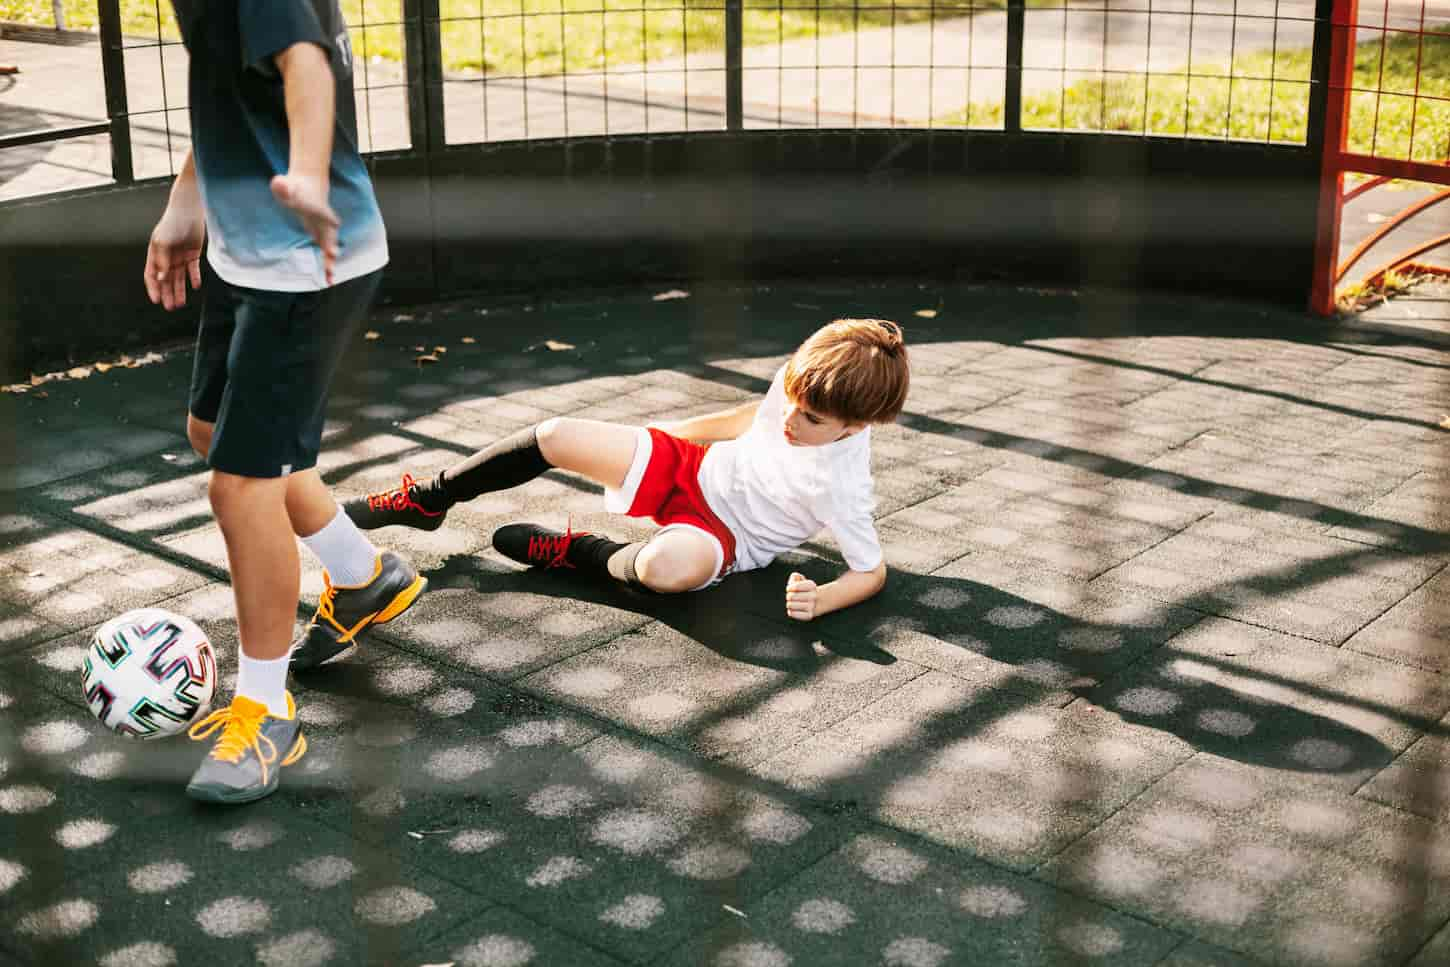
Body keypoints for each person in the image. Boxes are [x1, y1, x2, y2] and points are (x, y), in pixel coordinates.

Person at [144, 0, 425, 804]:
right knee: (213, 433)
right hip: (247, 253)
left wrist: (305, 172)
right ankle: (363, 572)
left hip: (306, 266)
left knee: (239, 486)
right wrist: (186, 201)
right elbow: (231, 98)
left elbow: (304, 64)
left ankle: (266, 710)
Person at [345, 319, 910, 620]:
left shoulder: (843, 486)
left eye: (808, 418)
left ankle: (580, 553)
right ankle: (432, 498)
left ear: (853, 429)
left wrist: (825, 598)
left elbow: (871, 572)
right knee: (556, 434)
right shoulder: (800, 387)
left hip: (725, 537)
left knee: (670, 568)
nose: (789, 416)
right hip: (693, 468)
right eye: (790, 398)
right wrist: (668, 435)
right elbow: (751, 415)